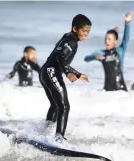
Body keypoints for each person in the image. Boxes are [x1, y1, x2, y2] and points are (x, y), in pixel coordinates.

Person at [39, 14, 91, 142]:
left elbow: (60, 56)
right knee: (64, 107)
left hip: (45, 71)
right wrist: (69, 73)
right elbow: (60, 58)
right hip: (52, 72)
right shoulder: (72, 42)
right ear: (75, 29)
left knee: (56, 105)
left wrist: (77, 74)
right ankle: (59, 138)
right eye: (83, 31)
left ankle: (45, 134)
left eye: (88, 32)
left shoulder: (67, 37)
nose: (86, 34)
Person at [84, 12, 132, 92]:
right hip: (107, 93)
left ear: (115, 41)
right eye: (106, 38)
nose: (107, 41)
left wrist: (127, 23)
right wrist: (94, 57)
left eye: (109, 39)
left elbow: (126, 39)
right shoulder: (101, 53)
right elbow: (86, 59)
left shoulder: (120, 51)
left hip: (121, 91)